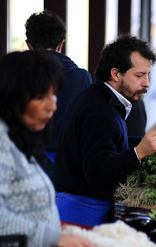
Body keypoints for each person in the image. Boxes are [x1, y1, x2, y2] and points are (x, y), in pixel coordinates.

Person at [0, 51, 100, 247]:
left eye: (53, 94)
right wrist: (54, 238)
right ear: (12, 99)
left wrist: (58, 230)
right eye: (40, 97)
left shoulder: (18, 141)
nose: (53, 105)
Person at [53, 35, 156, 228]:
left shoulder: (99, 98)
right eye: (139, 76)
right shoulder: (100, 111)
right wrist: (139, 152)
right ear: (115, 74)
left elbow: (108, 142)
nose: (147, 83)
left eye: (148, 75)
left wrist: (144, 143)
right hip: (81, 216)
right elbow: (97, 172)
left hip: (82, 209)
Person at [25, 10, 92, 182]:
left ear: (28, 44)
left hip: (22, 164)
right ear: (61, 44)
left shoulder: (12, 74)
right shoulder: (81, 77)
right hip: (65, 169)